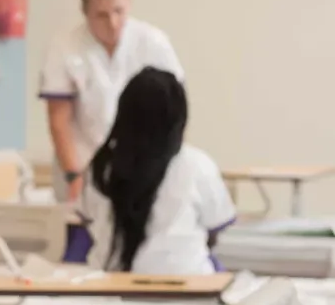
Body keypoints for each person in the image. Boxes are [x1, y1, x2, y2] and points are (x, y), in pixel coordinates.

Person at [39, 0, 184, 202]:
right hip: (82, 167)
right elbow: (59, 121)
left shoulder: (153, 43)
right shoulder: (64, 46)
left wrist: (163, 165)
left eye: (119, 11)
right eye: (101, 15)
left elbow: (174, 112)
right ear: (85, 12)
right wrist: (73, 175)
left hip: (143, 168)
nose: (113, 23)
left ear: (129, 2)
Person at [77, 67, 237, 274]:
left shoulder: (102, 167)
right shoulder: (197, 165)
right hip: (188, 287)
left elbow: (88, 226)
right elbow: (218, 228)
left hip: (110, 287)